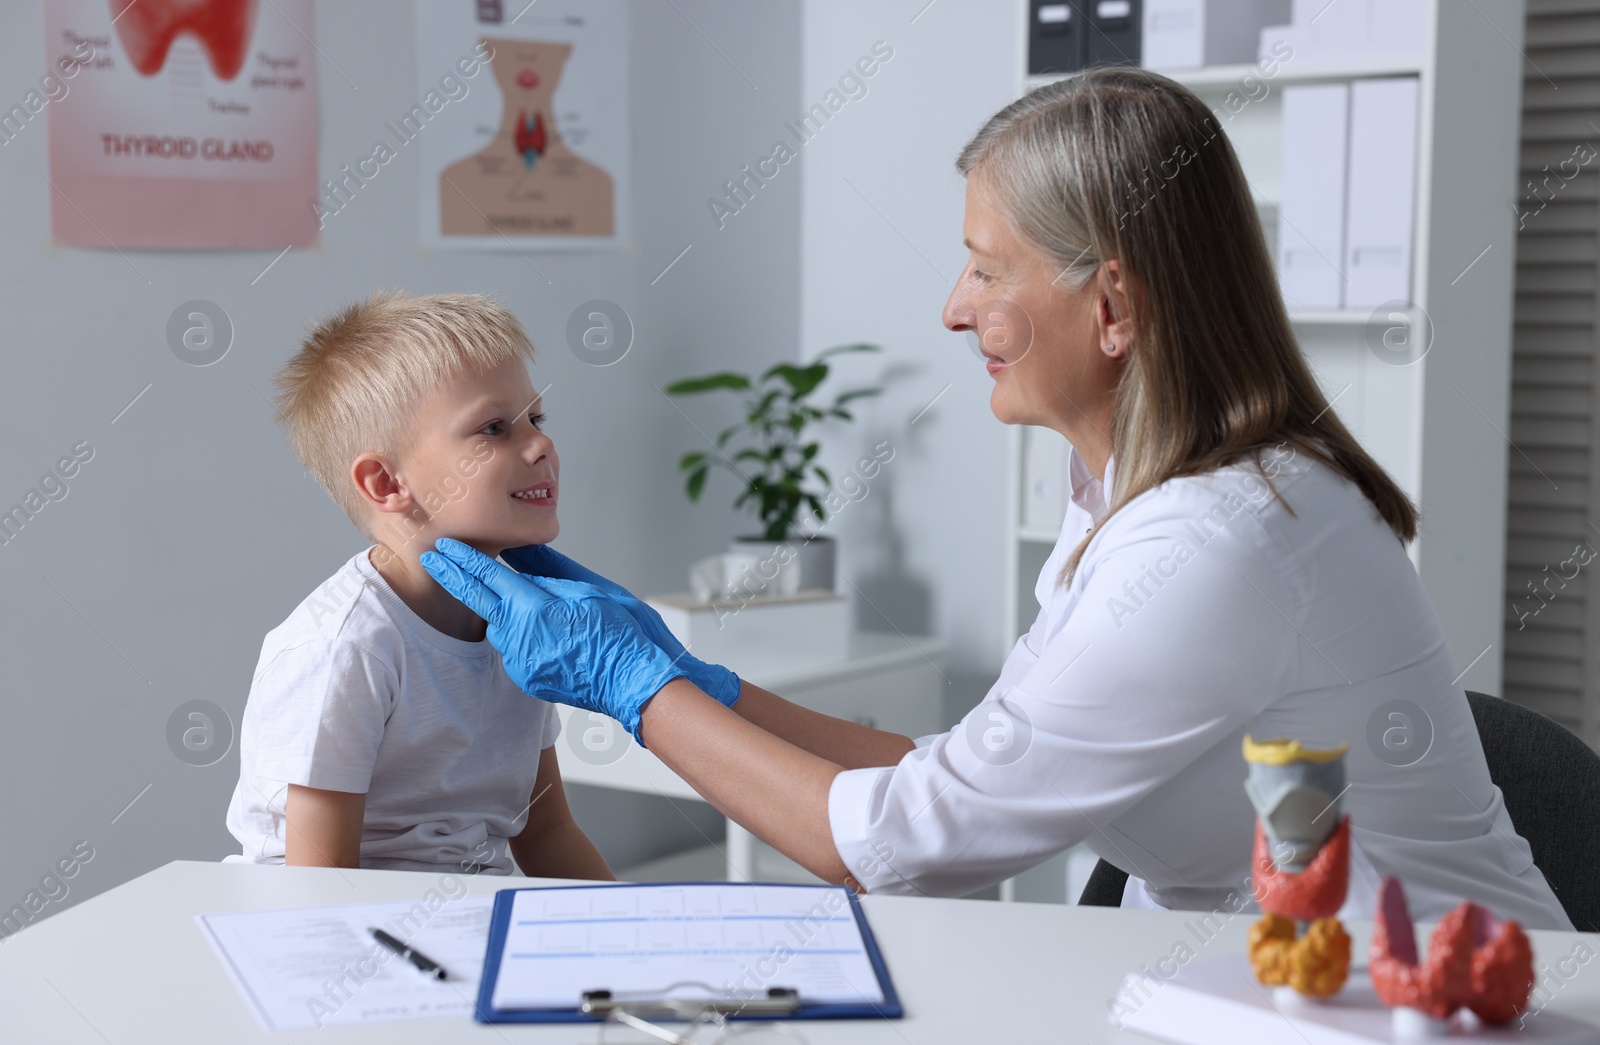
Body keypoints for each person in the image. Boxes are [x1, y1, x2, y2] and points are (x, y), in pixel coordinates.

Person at [422, 68, 1573, 929]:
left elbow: (904, 846)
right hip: (1244, 993)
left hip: (1421, 1019)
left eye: (986, 266)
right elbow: (969, 762)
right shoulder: (1125, 498)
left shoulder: (1217, 542)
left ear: (1111, 307)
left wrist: (639, 685)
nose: (952, 308)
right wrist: (707, 681)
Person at [224, 291, 612, 880]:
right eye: (493, 428)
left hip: (464, 920)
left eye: (537, 419)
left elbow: (548, 832)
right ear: (385, 482)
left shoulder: (523, 628)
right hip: (344, 927)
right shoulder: (346, 649)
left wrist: (627, 931)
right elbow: (317, 889)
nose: (540, 445)